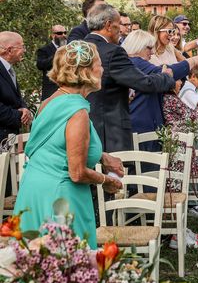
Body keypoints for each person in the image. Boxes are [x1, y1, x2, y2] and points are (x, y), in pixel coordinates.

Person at [14, 41, 124, 248]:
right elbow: (77, 172)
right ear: (87, 71)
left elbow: (57, 144)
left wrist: (102, 156)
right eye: (99, 64)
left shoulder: (50, 101)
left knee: (36, 269)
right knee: (68, 270)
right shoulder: (77, 112)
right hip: (61, 198)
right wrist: (106, 181)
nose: (102, 69)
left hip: (34, 190)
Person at [84, 4, 175, 152]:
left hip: (79, 127)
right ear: (108, 25)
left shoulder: (75, 48)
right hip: (109, 132)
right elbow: (146, 83)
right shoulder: (113, 52)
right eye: (118, 24)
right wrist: (166, 77)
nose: (121, 29)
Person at [121, 29, 198, 136]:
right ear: (137, 47)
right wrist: (194, 61)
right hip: (143, 128)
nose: (152, 52)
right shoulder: (137, 63)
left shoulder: (128, 63)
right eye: (149, 48)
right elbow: (168, 72)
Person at [0, 32, 32, 146]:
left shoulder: (8, 68)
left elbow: (15, 96)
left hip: (9, 137)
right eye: (22, 47)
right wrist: (19, 116)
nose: (24, 50)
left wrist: (24, 108)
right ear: (9, 50)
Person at [36, 24, 67, 101]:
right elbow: (40, 65)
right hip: (51, 89)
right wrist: (58, 54)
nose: (63, 35)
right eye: (59, 33)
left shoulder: (70, 48)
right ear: (53, 35)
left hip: (68, 89)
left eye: (65, 33)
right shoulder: (44, 50)